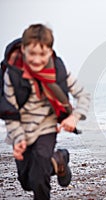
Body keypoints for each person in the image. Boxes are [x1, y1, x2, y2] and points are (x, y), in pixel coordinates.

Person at [0, 24, 90, 199]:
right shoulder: (12, 75)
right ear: (24, 49)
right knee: (27, 182)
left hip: (46, 128)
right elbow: (10, 111)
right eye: (32, 53)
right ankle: (59, 159)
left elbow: (83, 95)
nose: (36, 59)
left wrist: (74, 117)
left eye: (42, 54)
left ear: (50, 52)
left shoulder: (58, 71)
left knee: (39, 179)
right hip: (22, 129)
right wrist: (18, 138)